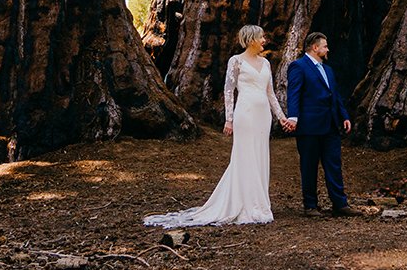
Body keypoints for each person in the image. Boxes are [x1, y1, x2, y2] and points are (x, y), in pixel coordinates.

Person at [143, 25, 291, 227]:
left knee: (260, 155)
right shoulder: (236, 61)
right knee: (244, 155)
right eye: (261, 37)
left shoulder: (265, 63)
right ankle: (243, 203)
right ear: (250, 40)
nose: (264, 40)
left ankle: (260, 203)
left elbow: (271, 94)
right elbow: (229, 91)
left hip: (263, 115)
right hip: (245, 114)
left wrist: (281, 117)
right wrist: (228, 119)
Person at [284, 32, 355, 217]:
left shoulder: (328, 70)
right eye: (325, 46)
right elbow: (294, 94)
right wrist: (293, 117)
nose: (327, 49)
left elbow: (335, 95)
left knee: (334, 164)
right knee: (309, 165)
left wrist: (344, 116)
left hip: (330, 124)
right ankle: (310, 205)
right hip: (309, 126)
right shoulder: (298, 66)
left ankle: (340, 204)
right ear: (315, 48)